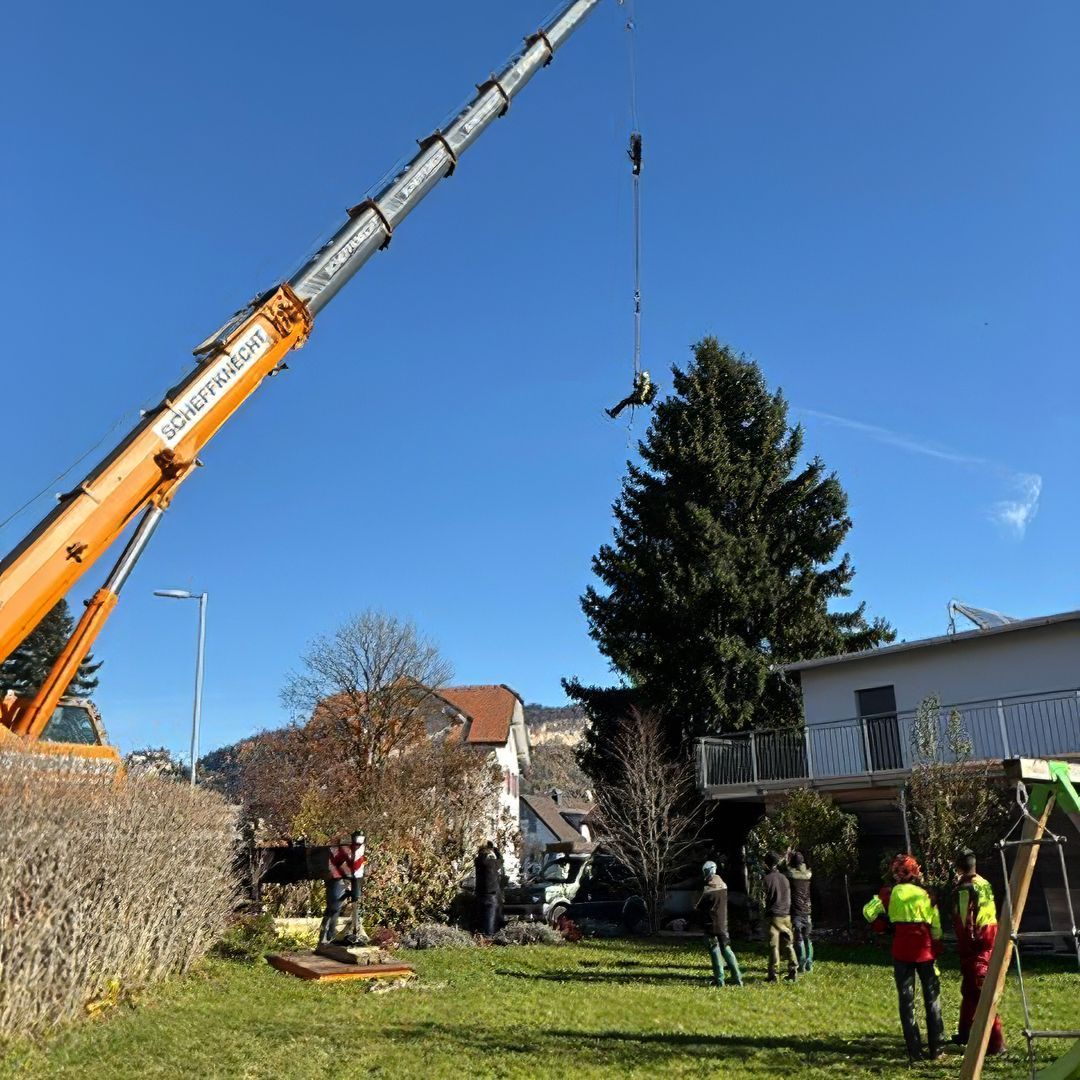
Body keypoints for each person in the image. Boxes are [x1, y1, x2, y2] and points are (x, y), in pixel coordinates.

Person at [863, 854, 946, 1064]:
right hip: (925, 950)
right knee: (932, 998)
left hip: (901, 951)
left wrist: (884, 923)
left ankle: (914, 1051)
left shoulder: (888, 893)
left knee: (906, 1001)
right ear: (916, 871)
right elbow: (936, 926)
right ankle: (937, 1048)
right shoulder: (927, 894)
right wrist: (937, 944)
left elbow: (867, 912)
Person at [951, 849, 1006, 1056]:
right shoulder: (984, 883)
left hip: (976, 948)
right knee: (969, 990)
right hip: (990, 941)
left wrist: (966, 945)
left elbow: (965, 922)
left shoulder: (965, 889)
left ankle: (996, 1043)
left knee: (981, 993)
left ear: (959, 868)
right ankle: (965, 1032)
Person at [695, 860, 743, 987]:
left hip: (710, 925)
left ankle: (720, 980)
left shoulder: (707, 890)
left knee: (715, 951)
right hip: (723, 924)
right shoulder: (724, 885)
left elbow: (697, 907)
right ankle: (738, 978)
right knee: (727, 950)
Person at [762, 851, 798, 982]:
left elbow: (762, 901)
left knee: (774, 947)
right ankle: (793, 971)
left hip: (774, 916)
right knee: (789, 945)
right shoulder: (784, 878)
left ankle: (773, 975)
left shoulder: (766, 880)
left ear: (766, 864)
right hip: (786, 915)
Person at [785, 850, 814, 973]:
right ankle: (809, 963)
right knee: (808, 938)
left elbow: (784, 869)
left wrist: (786, 857)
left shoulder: (791, 875)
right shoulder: (808, 874)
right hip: (807, 910)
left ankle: (801, 964)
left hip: (796, 911)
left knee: (799, 939)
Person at [473, 841, 503, 937]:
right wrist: (496, 851)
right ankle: (488, 940)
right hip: (491, 896)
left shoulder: (478, 862)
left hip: (480, 895)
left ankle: (481, 938)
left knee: (481, 922)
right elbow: (501, 861)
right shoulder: (491, 863)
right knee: (490, 925)